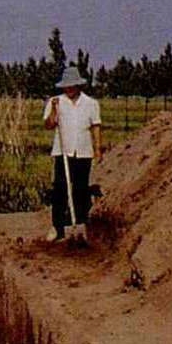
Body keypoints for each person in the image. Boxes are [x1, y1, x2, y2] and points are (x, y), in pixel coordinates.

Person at [41, 65, 102, 244]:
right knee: (60, 189)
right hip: (63, 152)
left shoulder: (91, 103)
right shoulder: (56, 101)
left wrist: (98, 149)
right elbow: (49, 125)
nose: (69, 89)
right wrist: (54, 110)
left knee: (81, 190)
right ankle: (57, 227)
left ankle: (81, 223)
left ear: (78, 85)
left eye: (72, 86)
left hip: (83, 152)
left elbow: (96, 126)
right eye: (66, 86)